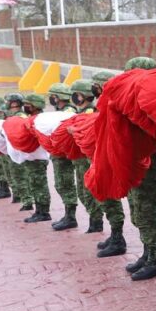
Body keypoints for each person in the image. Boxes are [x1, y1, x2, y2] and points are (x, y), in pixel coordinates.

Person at [121, 56, 156, 282]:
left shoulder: (155, 100)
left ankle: (155, 259)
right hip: (136, 162)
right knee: (138, 210)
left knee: (148, 211)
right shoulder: (131, 98)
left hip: (150, 165)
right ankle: (147, 252)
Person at [90, 71, 129, 258]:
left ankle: (119, 238)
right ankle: (115, 236)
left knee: (143, 213)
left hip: (113, 157)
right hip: (103, 155)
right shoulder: (101, 104)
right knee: (105, 196)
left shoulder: (116, 102)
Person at [70, 81, 105, 234]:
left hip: (88, 158)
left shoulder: (90, 112)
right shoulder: (82, 111)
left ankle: (96, 221)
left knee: (89, 191)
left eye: (76, 94)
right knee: (83, 191)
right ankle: (94, 219)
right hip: (81, 158)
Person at [47, 83, 80, 231]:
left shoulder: (68, 111)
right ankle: (68, 215)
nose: (51, 99)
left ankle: (71, 216)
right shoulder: (60, 111)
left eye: (53, 96)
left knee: (66, 184)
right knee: (60, 184)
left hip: (66, 154)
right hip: (60, 153)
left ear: (58, 97)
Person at [20, 93, 53, 223]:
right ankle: (39, 210)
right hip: (32, 156)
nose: (25, 107)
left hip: (38, 157)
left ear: (35, 106)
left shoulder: (41, 120)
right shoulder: (31, 118)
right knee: (34, 184)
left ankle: (44, 212)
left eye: (28, 105)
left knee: (40, 185)